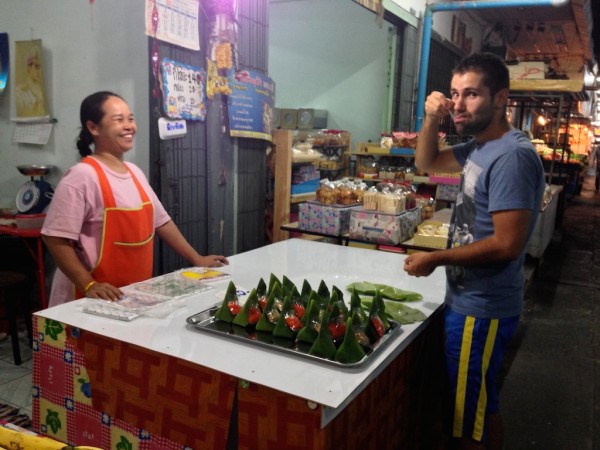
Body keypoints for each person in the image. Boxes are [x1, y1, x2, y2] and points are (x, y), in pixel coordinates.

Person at [403, 53, 545, 450]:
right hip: (468, 299)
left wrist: (436, 258)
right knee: (472, 406)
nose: (458, 105)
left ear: (500, 98)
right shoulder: (478, 147)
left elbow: (506, 244)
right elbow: (427, 162)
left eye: (471, 95)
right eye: (453, 94)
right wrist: (431, 119)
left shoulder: (512, 156)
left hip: (483, 306)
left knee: (472, 421)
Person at [42, 91, 228, 307]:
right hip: (85, 299)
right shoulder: (82, 176)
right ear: (93, 128)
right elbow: (55, 239)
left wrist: (197, 258)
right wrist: (89, 284)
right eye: (118, 120)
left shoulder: (134, 172)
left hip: (128, 295)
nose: (129, 126)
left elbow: (162, 222)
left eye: (130, 119)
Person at [15, 44, 47, 117]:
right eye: (36, 67)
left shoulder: (39, 90)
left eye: (39, 67)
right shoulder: (20, 92)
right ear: (29, 68)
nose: (39, 71)